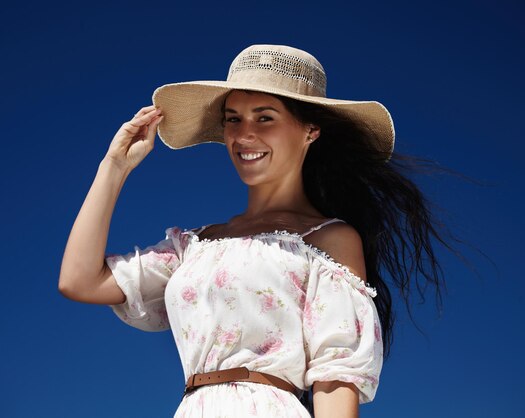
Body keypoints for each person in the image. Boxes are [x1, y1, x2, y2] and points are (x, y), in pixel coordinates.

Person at [58, 44, 449, 417]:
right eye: (233, 119)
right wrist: (113, 167)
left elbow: (336, 374)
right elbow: (80, 280)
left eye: (265, 117)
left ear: (310, 131)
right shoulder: (195, 246)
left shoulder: (329, 239)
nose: (244, 134)